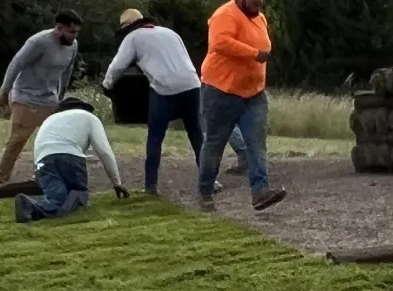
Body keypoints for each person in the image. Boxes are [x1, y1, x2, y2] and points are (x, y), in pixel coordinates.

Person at [104, 8, 209, 198]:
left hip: (165, 89)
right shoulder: (170, 33)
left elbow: (117, 66)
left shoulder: (133, 38)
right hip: (192, 84)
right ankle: (209, 180)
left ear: (128, 28)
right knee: (196, 134)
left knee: (155, 136)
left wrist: (107, 85)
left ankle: (150, 185)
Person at [196, 0, 288, 212]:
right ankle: (205, 191)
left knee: (257, 143)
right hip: (220, 91)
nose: (258, 3)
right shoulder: (225, 14)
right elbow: (220, 42)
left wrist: (259, 54)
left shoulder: (260, 18)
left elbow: (264, 45)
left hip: (254, 93)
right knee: (214, 144)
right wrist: (254, 54)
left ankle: (260, 192)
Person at [0, 10, 84, 186]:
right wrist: (4, 91)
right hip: (26, 97)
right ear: (58, 28)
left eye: (77, 32)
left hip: (50, 98)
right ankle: (0, 181)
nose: (74, 36)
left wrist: (61, 95)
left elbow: (67, 71)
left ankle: (45, 178)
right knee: (17, 141)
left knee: (53, 140)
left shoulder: (73, 45)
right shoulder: (38, 42)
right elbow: (15, 64)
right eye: (71, 31)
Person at [14, 97, 131, 223]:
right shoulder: (89, 117)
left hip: (43, 160)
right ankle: (66, 212)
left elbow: (40, 146)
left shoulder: (50, 120)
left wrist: (38, 174)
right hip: (70, 156)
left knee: (56, 198)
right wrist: (117, 183)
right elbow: (105, 152)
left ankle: (31, 207)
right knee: (79, 194)